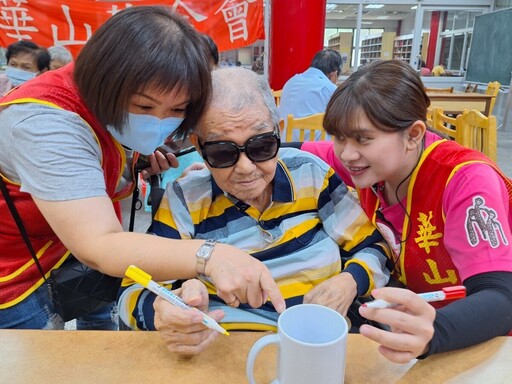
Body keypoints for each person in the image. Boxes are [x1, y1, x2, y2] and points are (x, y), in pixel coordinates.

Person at [0, 6, 284, 330]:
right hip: (17, 273)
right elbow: (100, 244)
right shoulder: (45, 123)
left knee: (103, 335)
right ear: (107, 82)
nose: (159, 121)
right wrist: (210, 256)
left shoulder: (105, 108)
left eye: (178, 109)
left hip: (73, 259)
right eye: (144, 107)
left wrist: (134, 155)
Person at [118, 67, 391, 354]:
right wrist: (163, 312)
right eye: (223, 152)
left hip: (321, 345)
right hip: (229, 353)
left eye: (261, 146)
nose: (246, 168)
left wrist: (349, 282)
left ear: (279, 132)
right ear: (199, 147)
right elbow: (132, 289)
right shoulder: (186, 199)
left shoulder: (310, 174)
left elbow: (375, 248)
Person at [295, 59, 512, 363]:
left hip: (478, 343)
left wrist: (435, 332)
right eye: (339, 136)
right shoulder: (367, 161)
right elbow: (293, 149)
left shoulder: (465, 179)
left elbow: (501, 297)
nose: (346, 153)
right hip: (411, 334)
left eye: (362, 138)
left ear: (413, 135)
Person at [279, 48, 341, 141]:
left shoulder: (290, 82)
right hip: (314, 149)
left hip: (285, 144)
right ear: (334, 74)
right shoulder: (330, 88)